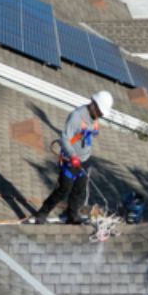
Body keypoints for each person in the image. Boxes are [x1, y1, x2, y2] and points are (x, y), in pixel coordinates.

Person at [31, 91, 113, 224]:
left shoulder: (94, 117)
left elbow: (90, 135)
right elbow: (64, 138)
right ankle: (42, 212)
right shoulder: (76, 117)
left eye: (102, 113)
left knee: (79, 190)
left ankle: (72, 215)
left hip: (85, 160)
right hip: (70, 161)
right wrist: (73, 155)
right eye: (100, 111)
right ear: (94, 104)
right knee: (63, 190)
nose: (101, 115)